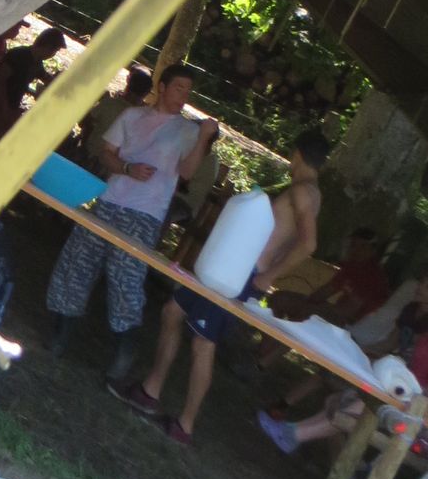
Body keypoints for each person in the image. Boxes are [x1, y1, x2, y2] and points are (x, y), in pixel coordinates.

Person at [113, 128, 330, 445]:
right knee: (173, 311)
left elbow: (308, 244)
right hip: (233, 265)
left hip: (245, 275)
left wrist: (269, 276)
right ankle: (150, 390)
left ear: (297, 154)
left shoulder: (303, 192)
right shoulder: (310, 193)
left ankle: (185, 425)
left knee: (204, 343)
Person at [45, 64, 218, 379]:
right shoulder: (132, 116)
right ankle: (61, 330)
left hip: (146, 211)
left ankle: (125, 348)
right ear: (162, 87)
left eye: (188, 90)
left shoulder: (187, 131)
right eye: (178, 87)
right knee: (78, 260)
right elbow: (106, 153)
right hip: (111, 199)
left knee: (125, 274)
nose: (183, 95)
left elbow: (187, 172)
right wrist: (127, 168)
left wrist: (204, 138)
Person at [258, 271, 428, 457]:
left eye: (425, 285)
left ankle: (293, 434)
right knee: (334, 399)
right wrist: (365, 353)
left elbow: (418, 377)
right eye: (421, 282)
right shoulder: (410, 310)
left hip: (412, 399)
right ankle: (291, 430)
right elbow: (391, 343)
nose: (419, 286)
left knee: (355, 405)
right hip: (398, 378)